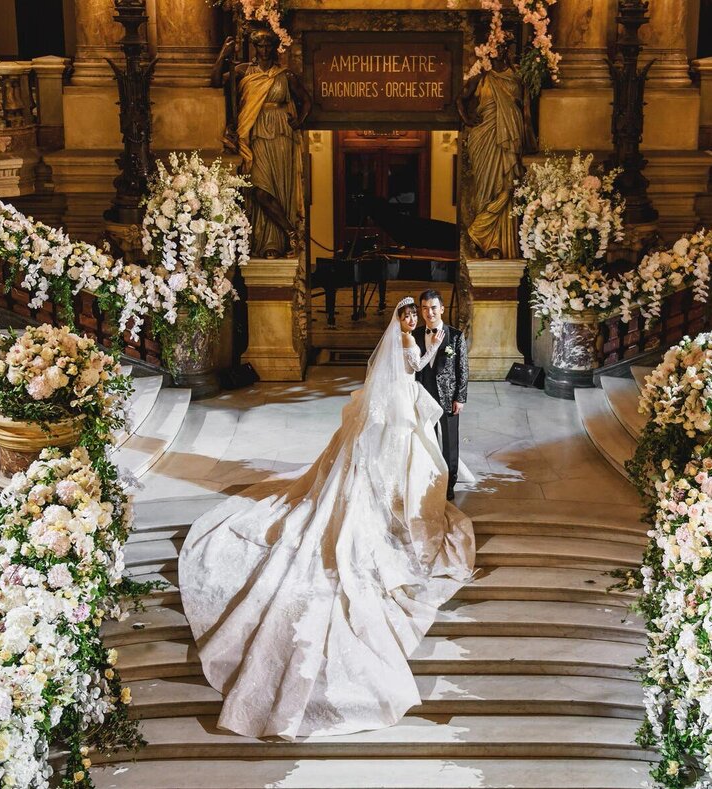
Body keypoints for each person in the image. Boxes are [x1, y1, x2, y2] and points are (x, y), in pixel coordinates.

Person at [178, 296, 475, 740]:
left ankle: (398, 504)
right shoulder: (400, 341)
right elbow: (406, 370)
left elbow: (423, 365)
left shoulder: (419, 338)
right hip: (394, 411)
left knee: (421, 468)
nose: (413, 319)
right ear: (400, 318)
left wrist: (434, 355)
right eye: (408, 315)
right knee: (384, 474)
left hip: (409, 408)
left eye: (417, 314)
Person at [211, 29, 312, 258]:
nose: (264, 51)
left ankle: (274, 244)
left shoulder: (285, 76)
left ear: (274, 47)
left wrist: (298, 121)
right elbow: (216, 81)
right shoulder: (243, 71)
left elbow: (306, 100)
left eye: (268, 46)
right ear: (254, 47)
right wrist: (222, 55)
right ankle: (290, 232)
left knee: (279, 187)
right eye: (260, 46)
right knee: (258, 189)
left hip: (281, 137)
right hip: (254, 132)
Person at [458, 37, 534, 260]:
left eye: (504, 47)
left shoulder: (519, 74)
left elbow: (527, 108)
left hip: (511, 137)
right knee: (486, 190)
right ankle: (483, 238)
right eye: (496, 47)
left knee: (508, 186)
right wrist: (467, 118)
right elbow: (460, 99)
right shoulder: (483, 74)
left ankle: (501, 244)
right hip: (485, 136)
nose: (500, 51)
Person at [411, 290, 469, 500]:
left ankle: (449, 483)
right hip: (423, 395)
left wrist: (460, 398)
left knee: (450, 442)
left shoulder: (455, 336)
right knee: (428, 439)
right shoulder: (415, 335)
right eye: (425, 308)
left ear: (442, 309)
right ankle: (431, 477)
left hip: (448, 397)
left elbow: (463, 369)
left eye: (433, 307)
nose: (429, 312)